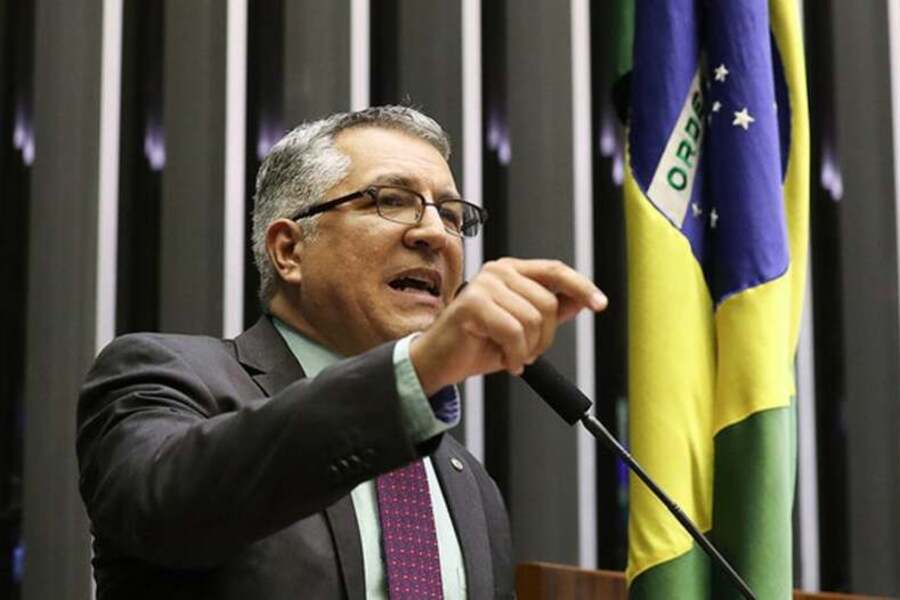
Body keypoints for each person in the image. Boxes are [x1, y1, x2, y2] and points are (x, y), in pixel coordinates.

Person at [77, 106, 607, 599]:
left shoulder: (468, 481)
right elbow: (166, 512)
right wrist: (414, 375)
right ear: (289, 250)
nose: (434, 234)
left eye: (451, 214)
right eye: (392, 200)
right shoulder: (165, 377)